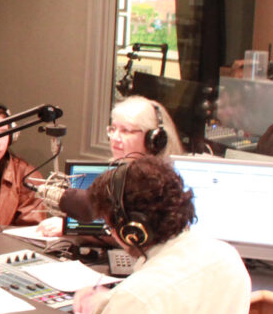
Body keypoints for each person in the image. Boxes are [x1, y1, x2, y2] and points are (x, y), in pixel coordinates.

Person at [72, 156, 250, 314]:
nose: (111, 233)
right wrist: (110, 304)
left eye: (109, 225)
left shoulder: (137, 300)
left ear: (132, 230)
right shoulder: (227, 257)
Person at [36, 95, 184, 236]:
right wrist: (68, 225)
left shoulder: (166, 184)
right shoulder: (118, 174)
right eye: (113, 129)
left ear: (154, 138)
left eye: (125, 131)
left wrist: (71, 228)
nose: (115, 138)